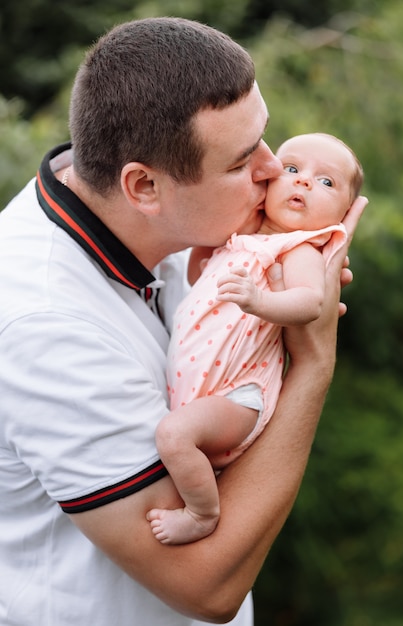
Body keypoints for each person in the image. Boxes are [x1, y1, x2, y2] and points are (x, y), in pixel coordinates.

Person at [0, 17, 367, 626]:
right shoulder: (45, 327)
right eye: (242, 162)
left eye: (266, 140)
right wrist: (313, 362)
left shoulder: (146, 215)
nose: (276, 172)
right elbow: (206, 588)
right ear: (144, 185)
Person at [147, 132, 364, 545]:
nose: (303, 182)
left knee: (174, 436)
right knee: (176, 439)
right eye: (293, 169)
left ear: (344, 213)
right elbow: (198, 277)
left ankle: (202, 514)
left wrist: (259, 300)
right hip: (199, 386)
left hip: (237, 395)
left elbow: (309, 303)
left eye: (326, 182)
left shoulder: (297, 250)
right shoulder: (245, 237)